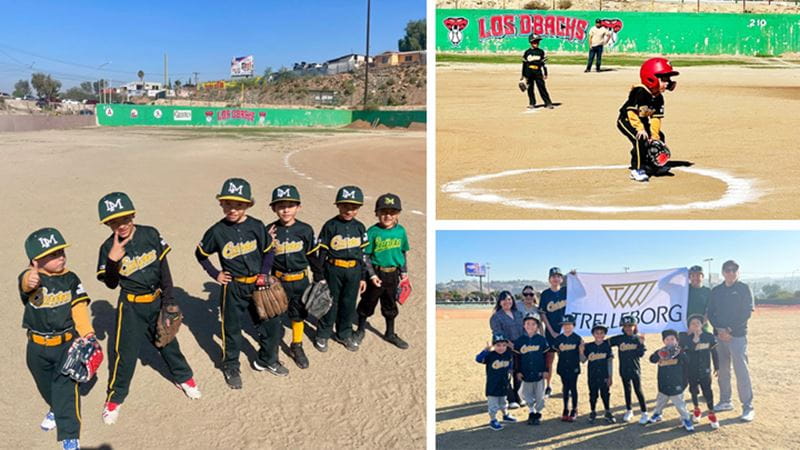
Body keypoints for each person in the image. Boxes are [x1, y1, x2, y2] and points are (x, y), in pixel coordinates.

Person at [97, 192, 200, 425]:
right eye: (113, 222)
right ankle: (116, 398)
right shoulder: (107, 247)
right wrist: (113, 260)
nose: (120, 225)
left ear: (133, 215)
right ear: (107, 224)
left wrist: (169, 299)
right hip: (130, 307)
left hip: (155, 300)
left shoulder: (150, 234)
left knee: (167, 341)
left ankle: (184, 377)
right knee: (125, 353)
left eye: (124, 219)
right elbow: (112, 283)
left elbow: (164, 268)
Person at [195, 178, 286, 390]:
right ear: (221, 204)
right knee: (231, 329)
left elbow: (268, 250)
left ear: (247, 205)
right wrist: (215, 273)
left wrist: (264, 274)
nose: (232, 209)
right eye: (228, 204)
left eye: (238, 205)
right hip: (233, 287)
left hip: (258, 284)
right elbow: (200, 254)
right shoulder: (216, 231)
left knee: (271, 324)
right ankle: (231, 365)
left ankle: (268, 359)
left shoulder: (255, 226)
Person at [19, 228, 96, 450]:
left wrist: (87, 333)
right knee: (46, 386)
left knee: (65, 389)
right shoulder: (31, 278)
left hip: (66, 345)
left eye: (61, 251)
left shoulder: (71, 279)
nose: (60, 256)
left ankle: (69, 435)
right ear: (35, 261)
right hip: (36, 347)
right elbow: (25, 284)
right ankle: (55, 408)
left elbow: (79, 308)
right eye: (52, 254)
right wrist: (29, 278)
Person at [267, 185, 323, 369]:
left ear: (298, 207)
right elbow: (263, 259)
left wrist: (320, 278)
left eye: (290, 205)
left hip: (300, 280)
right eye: (281, 205)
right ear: (274, 208)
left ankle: (296, 345)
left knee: (298, 314)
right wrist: (267, 241)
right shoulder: (269, 230)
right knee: (273, 315)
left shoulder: (305, 230)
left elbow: (312, 256)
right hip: (277, 281)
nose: (285, 209)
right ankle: (273, 346)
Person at [315, 186, 369, 352]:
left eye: (353, 207)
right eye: (344, 206)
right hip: (333, 269)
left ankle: (343, 333)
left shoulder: (360, 227)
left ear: (358, 209)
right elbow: (322, 253)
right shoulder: (330, 225)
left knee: (349, 303)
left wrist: (362, 277)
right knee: (330, 302)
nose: (349, 210)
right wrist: (320, 276)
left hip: (353, 270)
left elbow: (363, 255)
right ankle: (323, 334)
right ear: (338, 205)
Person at [355, 193, 411, 349]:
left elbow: (402, 252)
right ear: (377, 213)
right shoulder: (372, 232)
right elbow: (365, 256)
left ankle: (390, 333)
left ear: (398, 214)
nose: (388, 216)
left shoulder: (401, 231)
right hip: (376, 274)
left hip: (392, 274)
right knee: (368, 302)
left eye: (392, 212)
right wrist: (371, 275)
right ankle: (360, 329)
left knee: (390, 303)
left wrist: (404, 272)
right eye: (383, 212)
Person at [706, 260, 755, 422]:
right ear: (723, 272)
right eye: (727, 270)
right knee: (723, 371)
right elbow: (711, 312)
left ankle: (748, 407)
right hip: (719, 336)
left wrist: (729, 330)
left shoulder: (743, 289)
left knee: (741, 372)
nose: (731, 272)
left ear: (737, 272)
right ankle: (725, 401)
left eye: (734, 270)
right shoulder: (716, 291)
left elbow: (746, 312)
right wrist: (719, 330)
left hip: (737, 336)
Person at [617, 57, 679, 182]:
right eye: (664, 79)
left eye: (669, 80)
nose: (668, 83)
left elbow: (656, 119)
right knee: (640, 138)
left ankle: (653, 166)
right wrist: (640, 129)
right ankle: (637, 169)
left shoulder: (658, 97)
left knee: (659, 137)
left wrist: (655, 137)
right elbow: (631, 112)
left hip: (642, 121)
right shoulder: (640, 92)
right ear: (651, 78)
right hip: (627, 120)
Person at [647, 329, 694, 432]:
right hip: (663, 382)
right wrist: (658, 355)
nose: (670, 341)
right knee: (660, 401)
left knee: (679, 404)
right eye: (667, 339)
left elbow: (687, 361)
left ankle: (686, 418)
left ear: (677, 340)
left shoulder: (680, 352)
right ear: (664, 341)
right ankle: (657, 414)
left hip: (676, 383)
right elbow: (651, 359)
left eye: (672, 339)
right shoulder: (661, 351)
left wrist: (681, 352)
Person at [680, 314, 720, 429]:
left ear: (702, 324)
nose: (695, 325)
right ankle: (696, 409)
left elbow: (714, 352)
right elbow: (682, 352)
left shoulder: (709, 336)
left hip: (705, 369)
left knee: (707, 390)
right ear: (689, 326)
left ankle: (711, 413)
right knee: (693, 390)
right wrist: (693, 339)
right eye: (693, 323)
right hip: (691, 369)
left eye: (698, 322)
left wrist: (717, 367)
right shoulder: (686, 338)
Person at [609, 316, 648, 424]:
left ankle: (644, 412)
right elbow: (605, 343)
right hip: (623, 369)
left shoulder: (637, 338)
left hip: (635, 368)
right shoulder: (619, 338)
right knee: (627, 389)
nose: (628, 328)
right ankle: (629, 410)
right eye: (625, 326)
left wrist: (641, 343)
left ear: (635, 326)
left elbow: (640, 354)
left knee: (638, 390)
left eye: (630, 326)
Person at [490, 290, 524, 408]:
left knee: (519, 372)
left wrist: (522, 344)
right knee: (507, 373)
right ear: (499, 302)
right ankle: (511, 399)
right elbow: (498, 334)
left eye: (509, 299)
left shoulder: (518, 313)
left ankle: (518, 396)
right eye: (504, 299)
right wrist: (510, 345)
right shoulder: (496, 317)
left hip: (520, 348)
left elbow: (525, 329)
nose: (507, 302)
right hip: (505, 348)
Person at [476, 334, 517, 431]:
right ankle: (493, 420)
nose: (501, 348)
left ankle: (505, 415)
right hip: (492, 384)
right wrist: (486, 350)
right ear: (494, 346)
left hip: (504, 383)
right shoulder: (490, 355)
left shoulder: (508, 354)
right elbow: (478, 359)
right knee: (493, 404)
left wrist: (510, 369)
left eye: (504, 345)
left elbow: (510, 363)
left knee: (503, 401)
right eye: (498, 345)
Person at [513, 313, 549, 425]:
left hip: (539, 372)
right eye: (527, 323)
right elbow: (517, 358)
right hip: (526, 372)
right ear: (524, 325)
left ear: (537, 326)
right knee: (527, 394)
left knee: (540, 395)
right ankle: (531, 411)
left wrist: (546, 370)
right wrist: (518, 371)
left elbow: (546, 357)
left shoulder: (541, 340)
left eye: (533, 324)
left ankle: (537, 413)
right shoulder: (519, 341)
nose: (530, 326)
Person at [580, 323, 616, 424]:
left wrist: (610, 376)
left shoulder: (606, 346)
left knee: (605, 394)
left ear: (604, 334)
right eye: (597, 333)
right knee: (593, 394)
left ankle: (607, 411)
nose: (599, 335)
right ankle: (593, 411)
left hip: (604, 375)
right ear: (593, 334)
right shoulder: (589, 346)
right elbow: (583, 360)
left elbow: (610, 362)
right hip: (592, 375)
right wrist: (581, 351)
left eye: (602, 333)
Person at [540, 267, 567, 398]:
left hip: (565, 332)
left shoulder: (566, 291)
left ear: (561, 279)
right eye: (553, 276)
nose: (555, 279)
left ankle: (565, 386)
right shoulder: (545, 294)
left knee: (564, 360)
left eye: (558, 276)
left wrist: (576, 276)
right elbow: (543, 314)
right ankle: (548, 386)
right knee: (549, 361)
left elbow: (583, 293)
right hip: (551, 333)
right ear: (549, 279)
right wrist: (551, 331)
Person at [553, 314, 582, 422]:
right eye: (564, 325)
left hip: (574, 366)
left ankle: (574, 409)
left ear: (573, 325)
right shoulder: (559, 338)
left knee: (573, 387)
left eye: (569, 324)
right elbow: (556, 350)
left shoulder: (577, 338)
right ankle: (565, 408)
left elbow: (581, 354)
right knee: (565, 388)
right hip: (563, 366)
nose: (567, 327)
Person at [519, 34, 554, 109]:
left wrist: (545, 73)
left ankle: (548, 103)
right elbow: (524, 64)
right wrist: (523, 75)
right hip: (529, 72)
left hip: (538, 72)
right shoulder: (527, 52)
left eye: (538, 42)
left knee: (542, 88)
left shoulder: (541, 52)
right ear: (531, 42)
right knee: (530, 89)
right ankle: (532, 103)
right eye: (535, 42)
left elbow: (544, 64)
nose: (537, 43)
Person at [687, 265, 713, 334]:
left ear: (703, 277)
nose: (695, 278)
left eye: (698, 275)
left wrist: (699, 325)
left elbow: (710, 310)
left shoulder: (708, 291)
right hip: (686, 328)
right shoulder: (684, 290)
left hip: (703, 327)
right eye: (693, 276)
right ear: (689, 277)